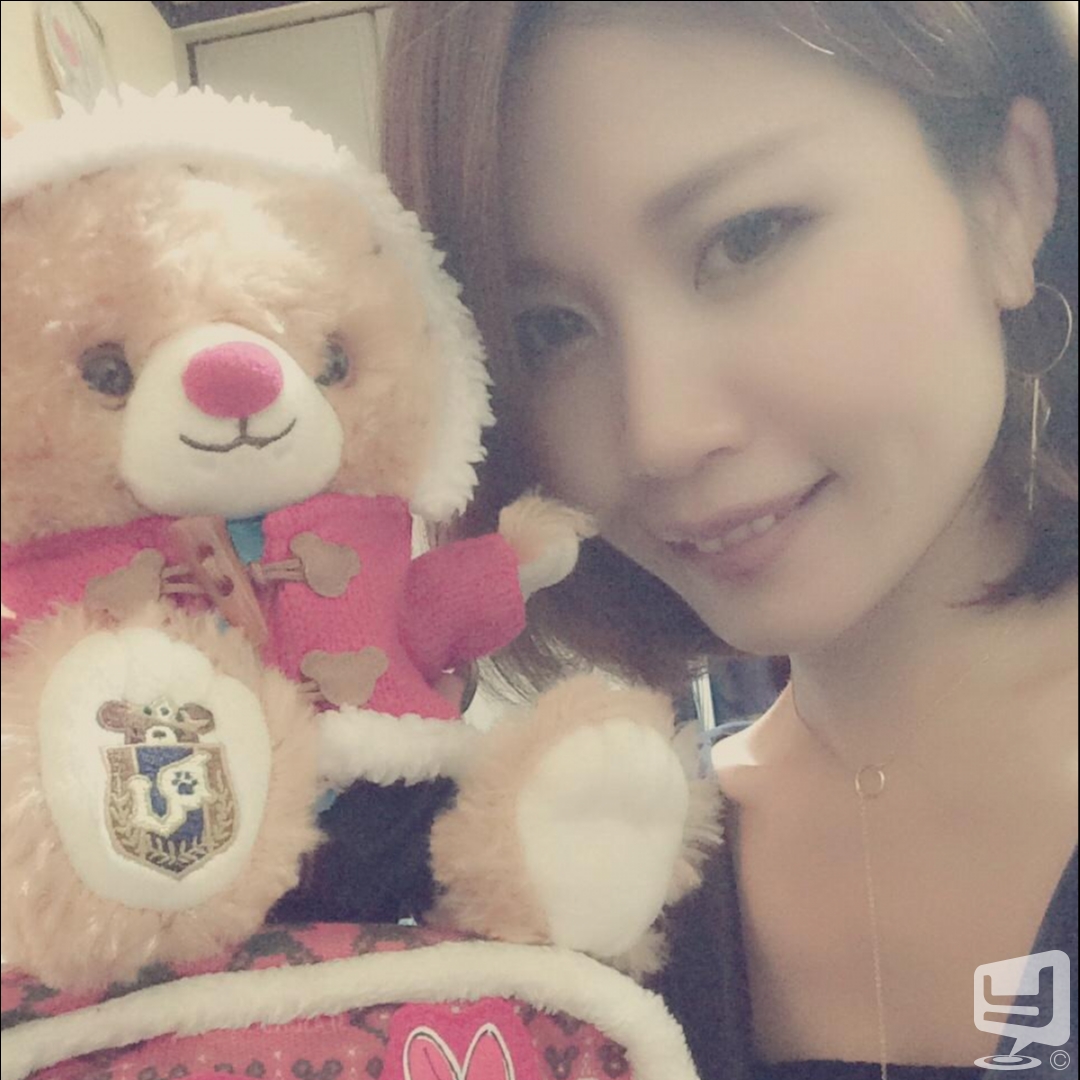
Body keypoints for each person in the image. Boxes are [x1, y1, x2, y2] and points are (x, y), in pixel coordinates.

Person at [381, 3, 1078, 1078]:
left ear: (1005, 193)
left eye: (746, 238)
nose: (659, 432)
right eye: (547, 329)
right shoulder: (613, 893)